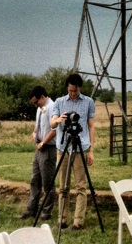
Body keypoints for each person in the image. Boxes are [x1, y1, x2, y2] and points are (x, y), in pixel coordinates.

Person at [50, 73, 95, 231]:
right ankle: (61, 220)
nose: (72, 94)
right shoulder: (59, 102)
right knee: (63, 186)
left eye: (75, 91)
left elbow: (91, 126)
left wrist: (91, 151)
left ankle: (78, 222)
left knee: (80, 186)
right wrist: (58, 119)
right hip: (63, 148)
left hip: (81, 147)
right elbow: (52, 124)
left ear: (79, 88)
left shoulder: (88, 102)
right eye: (70, 91)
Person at [20, 85, 57, 221]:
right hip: (39, 149)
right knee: (35, 180)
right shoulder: (40, 109)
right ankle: (31, 210)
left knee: (47, 183)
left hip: (48, 149)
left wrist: (43, 142)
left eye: (36, 102)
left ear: (42, 97)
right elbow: (38, 126)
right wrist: (35, 134)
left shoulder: (52, 107)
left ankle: (46, 212)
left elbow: (54, 130)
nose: (35, 105)